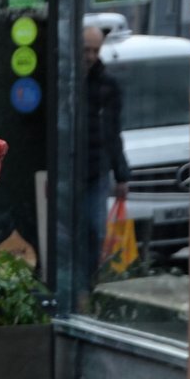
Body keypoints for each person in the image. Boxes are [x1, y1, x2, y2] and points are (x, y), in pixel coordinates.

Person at [83, 25, 131, 271]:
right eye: (86, 50)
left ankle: (89, 283)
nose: (90, 56)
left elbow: (113, 132)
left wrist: (121, 174)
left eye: (95, 50)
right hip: (71, 170)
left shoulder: (108, 85)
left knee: (94, 230)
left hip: (94, 171)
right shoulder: (68, 82)